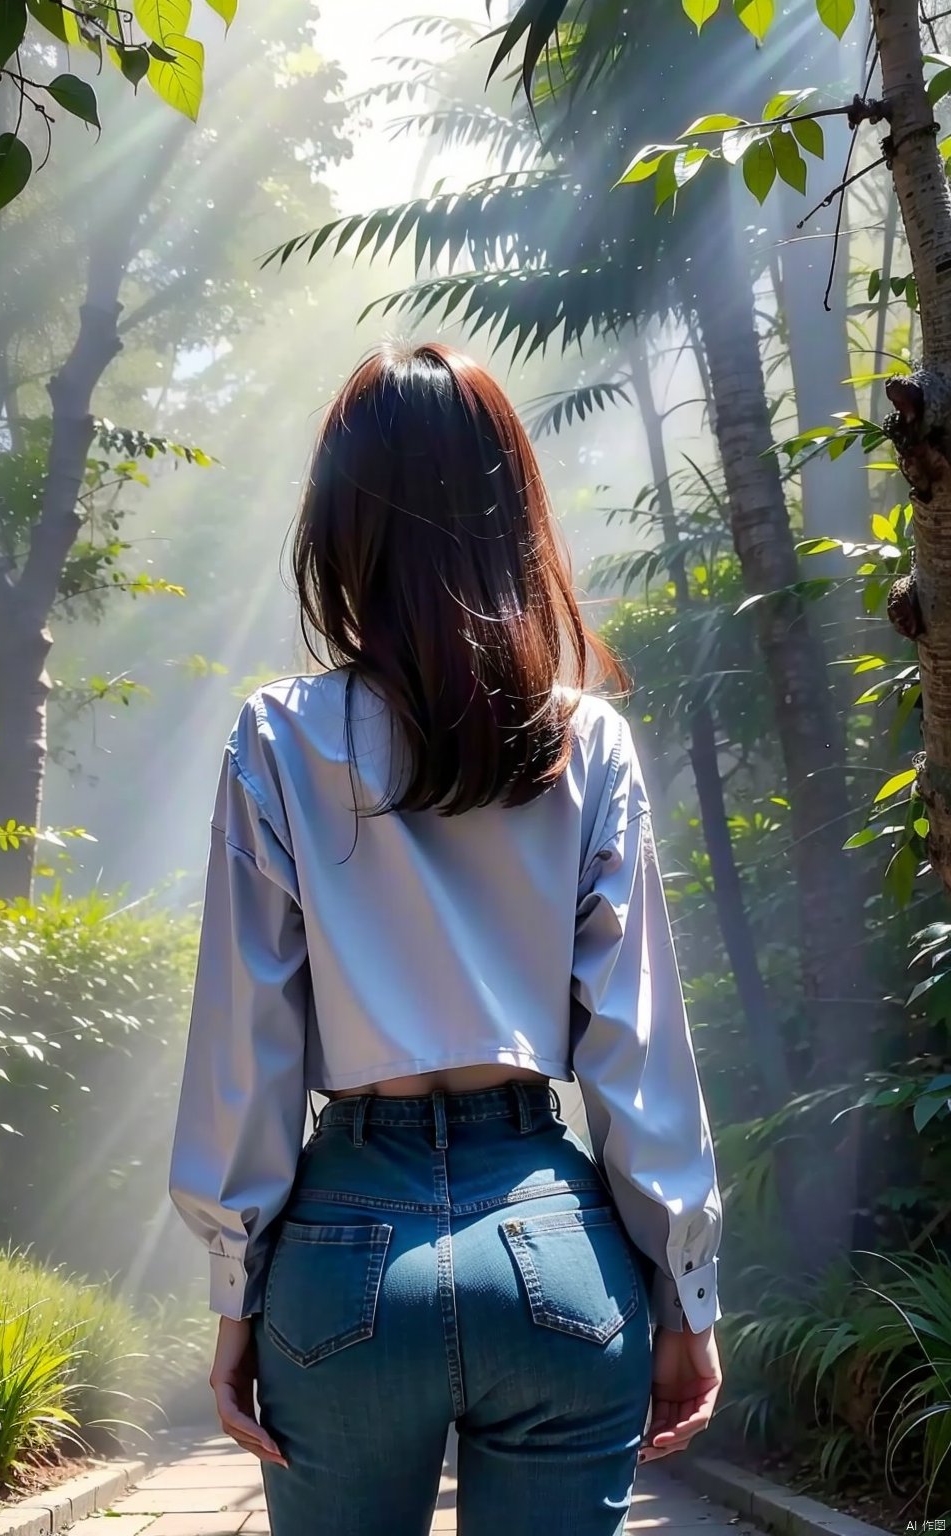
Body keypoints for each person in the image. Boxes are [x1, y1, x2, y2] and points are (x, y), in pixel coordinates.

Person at [167, 342, 723, 1536]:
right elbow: (634, 1047)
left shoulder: (277, 737)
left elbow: (249, 1046)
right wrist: (685, 1297)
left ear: (340, 527)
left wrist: (234, 1305)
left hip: (341, 1256)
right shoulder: (588, 742)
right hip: (551, 1239)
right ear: (512, 514)